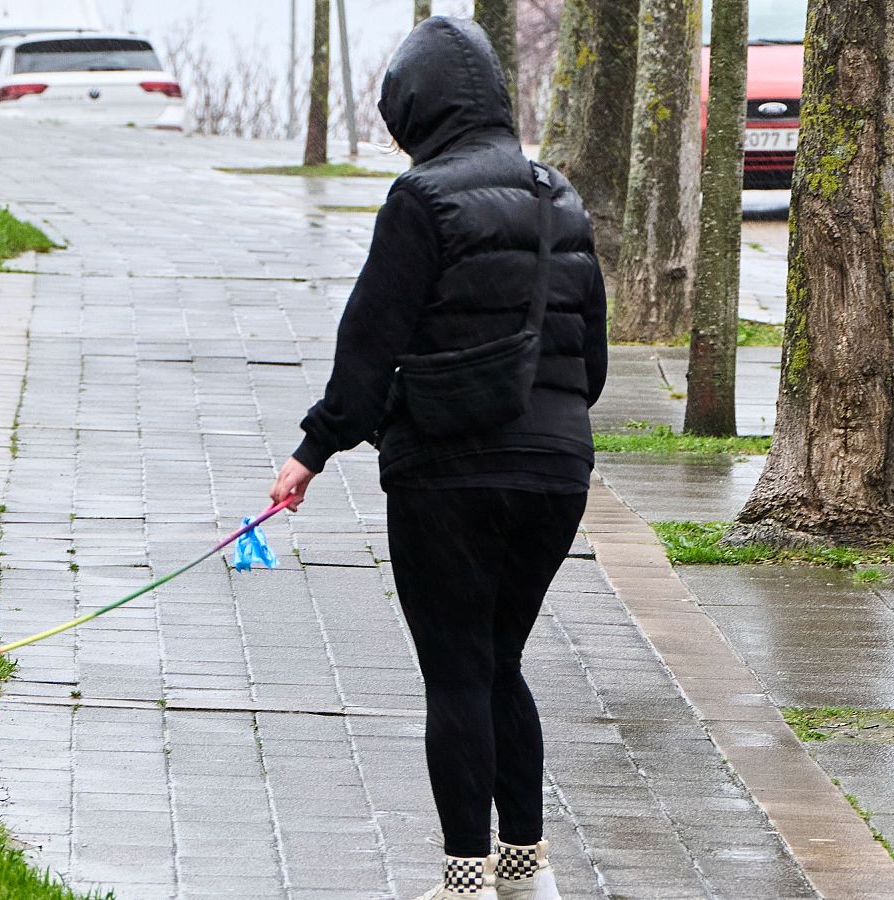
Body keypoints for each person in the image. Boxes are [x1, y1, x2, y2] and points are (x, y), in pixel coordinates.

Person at [268, 16, 607, 900]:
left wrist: (314, 448)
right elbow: (594, 360)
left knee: (457, 669)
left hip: (451, 473)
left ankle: (463, 883)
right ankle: (526, 874)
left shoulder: (423, 201)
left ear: (418, 112)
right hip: (558, 469)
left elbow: (369, 343)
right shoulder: (557, 194)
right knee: (502, 662)